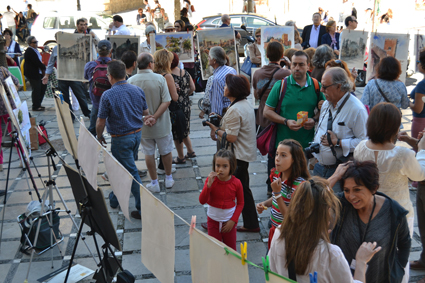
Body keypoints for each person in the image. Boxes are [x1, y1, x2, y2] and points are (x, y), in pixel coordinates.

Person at [269, 176, 381, 283]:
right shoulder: (331, 254)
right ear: (327, 211)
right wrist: (361, 262)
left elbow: (272, 273)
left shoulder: (279, 232)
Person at [331, 161, 412, 283]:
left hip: (379, 277)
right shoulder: (342, 203)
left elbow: (404, 243)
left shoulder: (393, 212)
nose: (351, 196)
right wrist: (335, 176)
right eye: (346, 190)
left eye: (357, 189)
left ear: (373, 188)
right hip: (344, 277)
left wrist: (398, 270)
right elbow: (309, 201)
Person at [354, 102, 425, 237]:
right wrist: (422, 150)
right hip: (398, 213)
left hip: (368, 211)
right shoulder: (402, 154)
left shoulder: (361, 147)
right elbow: (420, 175)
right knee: (398, 254)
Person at [264, 50, 324, 194]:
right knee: (282, 187)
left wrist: (314, 119)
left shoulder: (316, 86)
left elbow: (326, 109)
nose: (297, 68)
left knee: (301, 188)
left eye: (301, 65)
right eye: (294, 64)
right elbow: (267, 111)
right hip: (283, 146)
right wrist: (286, 121)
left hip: (305, 147)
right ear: (290, 66)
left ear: (308, 66)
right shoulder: (281, 85)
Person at [205, 74, 259, 233]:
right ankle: (251, 223)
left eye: (226, 85)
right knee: (243, 190)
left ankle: (219, 222)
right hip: (243, 155)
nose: (224, 87)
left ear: (233, 89)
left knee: (225, 191)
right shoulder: (244, 104)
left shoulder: (235, 109)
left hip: (236, 156)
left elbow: (232, 137)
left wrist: (216, 130)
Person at [96, 60, 148, 220]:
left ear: (110, 76)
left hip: (121, 139)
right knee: (124, 168)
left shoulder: (108, 95)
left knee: (130, 172)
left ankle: (142, 208)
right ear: (125, 73)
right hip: (136, 135)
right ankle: (114, 197)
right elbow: (145, 112)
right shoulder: (137, 90)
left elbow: (100, 121)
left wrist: (99, 136)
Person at [311, 67, 368, 193]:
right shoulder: (327, 103)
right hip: (319, 167)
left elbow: (364, 143)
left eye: (325, 87)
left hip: (340, 170)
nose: (321, 90)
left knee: (335, 208)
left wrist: (339, 143)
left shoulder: (357, 109)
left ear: (339, 86)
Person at [128, 52, 175, 191]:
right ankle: (168, 178)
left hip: (142, 124)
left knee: (148, 153)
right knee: (165, 151)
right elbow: (166, 101)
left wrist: (144, 118)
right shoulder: (160, 79)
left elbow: (130, 105)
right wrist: (154, 117)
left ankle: (154, 182)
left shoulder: (131, 81)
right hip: (161, 123)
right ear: (150, 64)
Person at [256, 139, 309, 249]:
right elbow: (275, 198)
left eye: (283, 155)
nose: (277, 159)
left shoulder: (300, 186)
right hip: (274, 229)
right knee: (270, 263)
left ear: (294, 159)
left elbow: (290, 217)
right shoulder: (276, 175)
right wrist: (264, 203)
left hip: (288, 235)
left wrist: (277, 193)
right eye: (277, 154)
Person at [199, 149, 244, 250]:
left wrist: (233, 221)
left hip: (229, 222)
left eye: (225, 166)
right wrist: (208, 186)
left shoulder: (237, 183)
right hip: (212, 222)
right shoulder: (210, 180)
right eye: (217, 165)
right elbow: (202, 200)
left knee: (231, 249)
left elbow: (241, 203)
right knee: (215, 249)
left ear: (231, 166)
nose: (220, 169)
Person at [43, 33, 91, 122]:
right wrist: (46, 75)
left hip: (74, 76)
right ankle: (70, 115)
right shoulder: (56, 49)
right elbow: (51, 63)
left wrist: (83, 77)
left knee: (80, 96)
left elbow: (82, 60)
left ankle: (87, 113)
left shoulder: (74, 46)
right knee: (64, 98)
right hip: (62, 78)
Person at [252, 41, 291, 130]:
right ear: (282, 56)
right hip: (279, 118)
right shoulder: (287, 73)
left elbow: (256, 96)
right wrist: (290, 65)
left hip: (262, 118)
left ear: (267, 55)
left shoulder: (257, 73)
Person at [170, 52, 196, 163]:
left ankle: (180, 157)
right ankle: (190, 151)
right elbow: (193, 88)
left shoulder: (168, 75)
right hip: (186, 105)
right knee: (185, 129)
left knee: (177, 132)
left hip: (174, 107)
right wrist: (185, 95)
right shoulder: (184, 72)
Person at [84, 40, 112, 136]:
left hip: (96, 101)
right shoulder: (115, 65)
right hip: (111, 101)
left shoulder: (90, 65)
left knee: (93, 128)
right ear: (110, 51)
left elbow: (85, 77)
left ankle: (91, 146)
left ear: (97, 50)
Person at [0, 67, 20, 174]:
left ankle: (0, 163)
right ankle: (23, 158)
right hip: (7, 106)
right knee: (14, 132)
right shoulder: (2, 70)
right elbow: (16, 81)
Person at [208, 46, 237, 116]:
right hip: (234, 108)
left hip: (226, 113)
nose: (208, 59)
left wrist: (215, 119)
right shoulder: (231, 69)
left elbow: (217, 103)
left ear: (214, 60)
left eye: (209, 57)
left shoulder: (217, 78)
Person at [24, 36, 47, 111]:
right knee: (36, 89)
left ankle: (38, 104)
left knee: (42, 88)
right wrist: (44, 67)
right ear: (30, 43)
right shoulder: (30, 51)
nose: (36, 44)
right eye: (34, 42)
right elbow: (36, 62)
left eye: (36, 42)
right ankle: (36, 106)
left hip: (37, 72)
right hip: (32, 73)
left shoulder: (35, 50)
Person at [409, 49, 425, 139]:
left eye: (418, 61)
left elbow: (418, 109)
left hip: (420, 122)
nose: (417, 64)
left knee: (418, 149)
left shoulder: (422, 85)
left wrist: (407, 102)